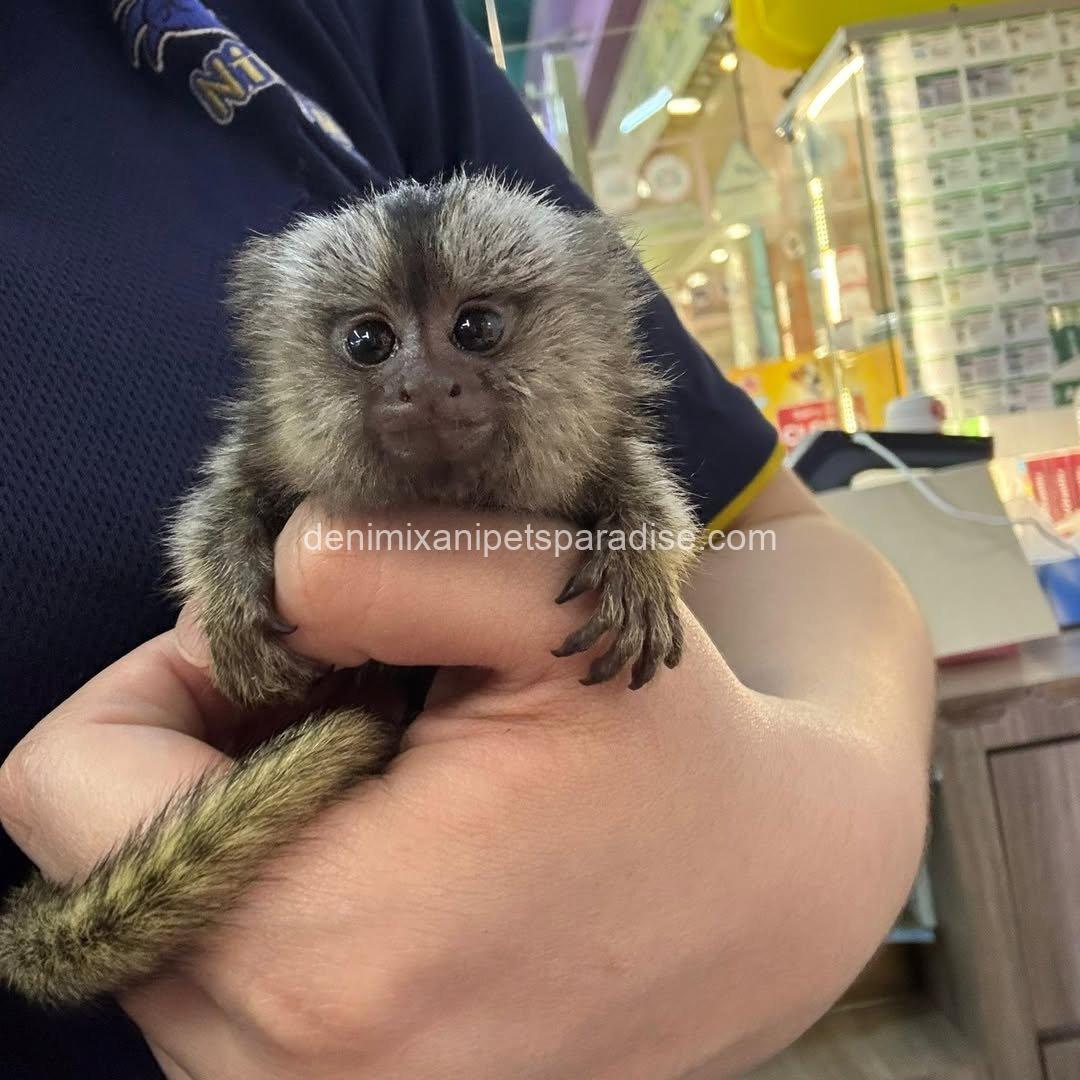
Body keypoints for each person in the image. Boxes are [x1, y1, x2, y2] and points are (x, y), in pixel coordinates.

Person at [0, 2, 934, 1077]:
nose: (423, 377)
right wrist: (243, 613)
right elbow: (229, 524)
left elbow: (736, 536)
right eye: (367, 344)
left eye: (476, 330)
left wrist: (803, 842)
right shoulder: (272, 465)